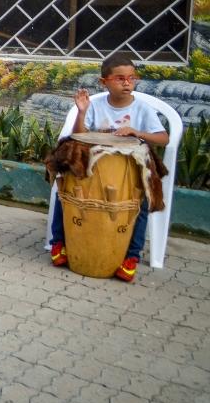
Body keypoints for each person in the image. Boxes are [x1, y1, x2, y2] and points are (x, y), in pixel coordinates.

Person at [48, 53, 168, 283]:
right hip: (92, 168)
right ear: (104, 82)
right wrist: (82, 111)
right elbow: (80, 136)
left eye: (131, 78)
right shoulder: (97, 105)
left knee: (139, 206)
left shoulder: (142, 109)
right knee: (64, 193)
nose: (127, 83)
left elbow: (164, 138)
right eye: (120, 78)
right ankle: (59, 243)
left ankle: (131, 256)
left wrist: (137, 132)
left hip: (129, 172)